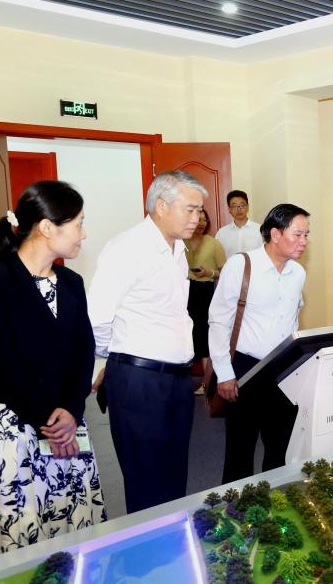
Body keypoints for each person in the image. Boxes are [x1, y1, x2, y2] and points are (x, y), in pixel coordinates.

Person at [0, 181, 105, 563]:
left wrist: (71, 410)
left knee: (69, 518)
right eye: (78, 223)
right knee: (20, 525)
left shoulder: (71, 283)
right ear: (46, 227)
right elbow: (0, 360)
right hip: (12, 424)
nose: (83, 233)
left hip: (65, 422)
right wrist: (49, 421)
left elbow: (83, 350)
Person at [88, 170, 205, 514]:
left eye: (199, 210)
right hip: (139, 380)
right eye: (190, 209)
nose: (197, 218)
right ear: (161, 206)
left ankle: (171, 540)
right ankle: (147, 546)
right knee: (145, 481)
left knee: (174, 475)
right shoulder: (127, 248)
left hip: (177, 379)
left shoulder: (178, 249)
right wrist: (120, 356)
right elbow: (97, 319)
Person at [210, 204, 310, 484]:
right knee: (240, 450)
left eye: (306, 235)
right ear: (275, 234)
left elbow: (293, 318)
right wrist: (224, 373)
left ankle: (275, 500)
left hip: (283, 370)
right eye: (298, 234)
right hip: (246, 369)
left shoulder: (297, 273)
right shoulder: (241, 265)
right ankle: (236, 505)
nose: (304, 241)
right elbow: (219, 321)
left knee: (281, 447)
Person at [186, 208, 226, 394]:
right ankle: (182, 384)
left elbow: (225, 271)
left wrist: (209, 272)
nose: (201, 223)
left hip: (205, 292)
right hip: (183, 291)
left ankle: (206, 384)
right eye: (198, 219)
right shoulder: (180, 241)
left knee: (204, 335)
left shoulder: (214, 243)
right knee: (185, 335)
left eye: (204, 219)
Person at [216, 190, 262, 260]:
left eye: (242, 205)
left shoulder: (260, 230)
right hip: (230, 267)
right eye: (234, 206)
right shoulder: (221, 233)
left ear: (248, 207)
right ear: (229, 209)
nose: (239, 209)